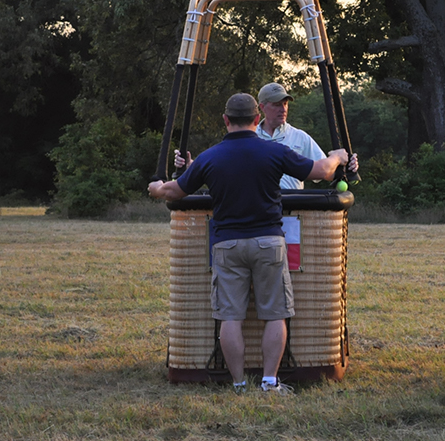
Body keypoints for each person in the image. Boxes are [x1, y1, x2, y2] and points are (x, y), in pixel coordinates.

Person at [149, 93, 349, 395]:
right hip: (269, 242)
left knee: (230, 316)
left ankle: (239, 384)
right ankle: (270, 382)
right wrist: (338, 157)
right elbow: (321, 172)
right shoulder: (274, 152)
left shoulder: (210, 157)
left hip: (227, 245)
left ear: (226, 120)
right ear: (257, 120)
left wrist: (155, 189)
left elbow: (175, 191)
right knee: (275, 313)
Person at [175, 81, 357, 188]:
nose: (283, 109)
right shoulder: (245, 138)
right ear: (262, 108)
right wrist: (190, 166)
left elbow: (327, 173)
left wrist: (348, 166)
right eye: (277, 104)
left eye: (285, 104)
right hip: (258, 211)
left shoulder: (300, 137)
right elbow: (222, 170)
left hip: (294, 216)